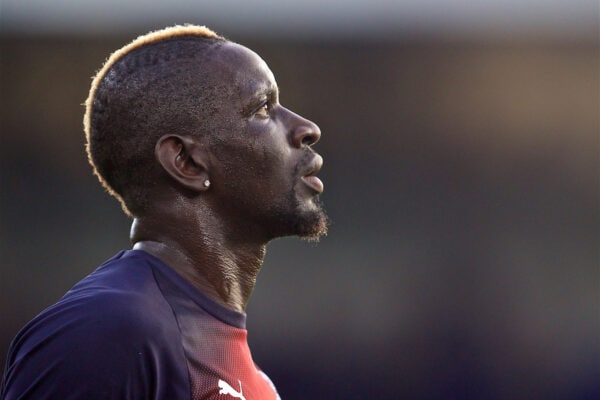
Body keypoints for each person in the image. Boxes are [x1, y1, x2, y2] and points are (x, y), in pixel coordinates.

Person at [1, 24, 327, 400]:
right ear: (188, 162)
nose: (307, 128)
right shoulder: (103, 332)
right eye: (262, 108)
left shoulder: (259, 386)